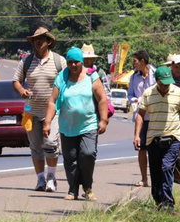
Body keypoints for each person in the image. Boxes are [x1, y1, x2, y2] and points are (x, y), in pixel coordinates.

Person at [43, 47, 108, 201]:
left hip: (88, 124)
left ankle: (87, 187)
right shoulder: (61, 77)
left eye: (76, 62)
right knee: (70, 158)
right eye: (70, 62)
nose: (73, 65)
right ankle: (73, 190)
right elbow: (52, 101)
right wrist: (47, 122)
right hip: (67, 126)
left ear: (82, 62)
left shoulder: (92, 76)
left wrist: (104, 120)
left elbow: (102, 99)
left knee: (87, 154)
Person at [12, 27, 66, 192]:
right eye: (35, 39)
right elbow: (16, 81)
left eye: (41, 38)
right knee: (35, 147)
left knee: (50, 144)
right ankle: (40, 179)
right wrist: (22, 91)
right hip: (31, 111)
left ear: (48, 42)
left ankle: (51, 177)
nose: (37, 41)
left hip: (53, 112)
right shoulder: (26, 61)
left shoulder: (59, 61)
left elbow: (66, 83)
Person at [133, 65, 180, 213]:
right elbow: (140, 114)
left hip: (174, 138)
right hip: (153, 139)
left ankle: (168, 204)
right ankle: (158, 201)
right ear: (157, 80)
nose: (165, 86)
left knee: (166, 167)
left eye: (168, 83)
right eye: (162, 83)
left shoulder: (179, 93)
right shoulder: (148, 93)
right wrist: (137, 135)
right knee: (156, 172)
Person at [128, 50, 156, 188]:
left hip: (156, 117)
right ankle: (144, 179)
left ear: (143, 61)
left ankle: (157, 178)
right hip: (141, 116)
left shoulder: (156, 75)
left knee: (155, 149)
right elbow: (130, 94)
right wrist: (135, 100)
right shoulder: (134, 77)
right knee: (141, 147)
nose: (133, 63)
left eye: (135, 61)